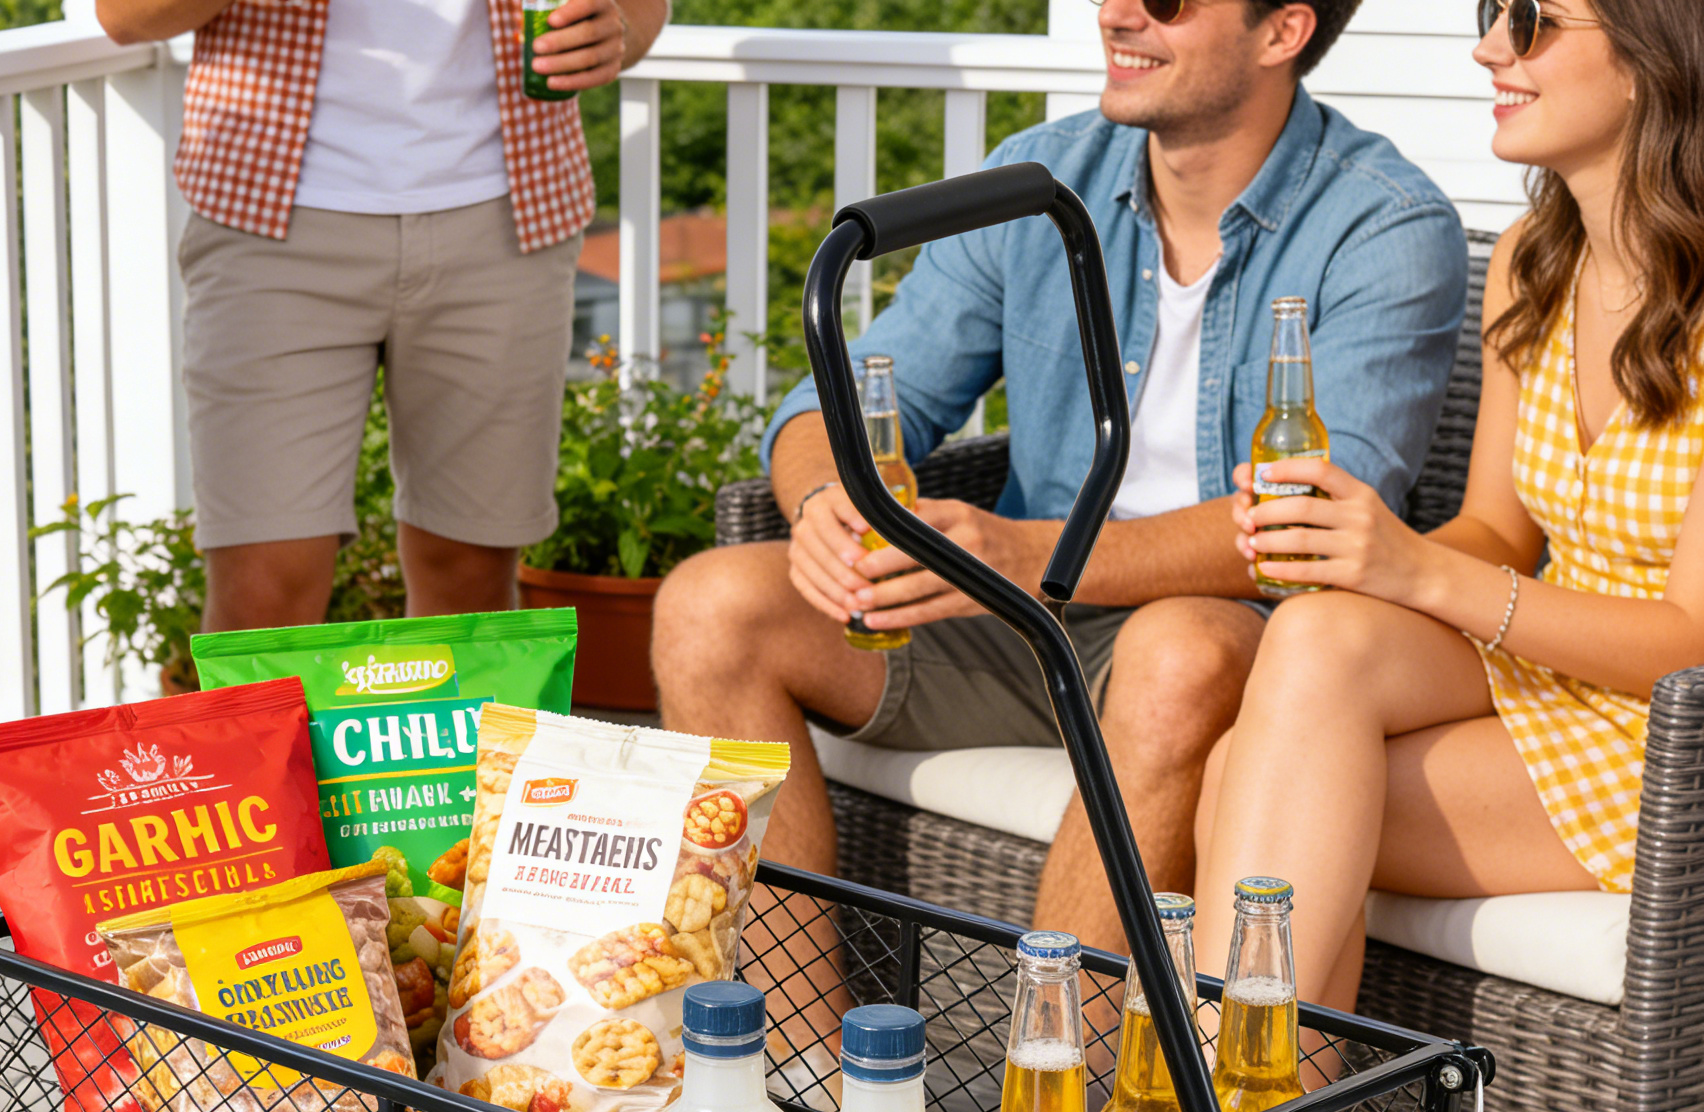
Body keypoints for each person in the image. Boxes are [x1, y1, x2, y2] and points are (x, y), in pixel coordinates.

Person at [654, 0, 1469, 956]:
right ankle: (801, 1081)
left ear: (1282, 32)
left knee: (1174, 657)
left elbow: (1308, 523)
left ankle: (1053, 1097)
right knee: (711, 604)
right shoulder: (1037, 179)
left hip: (1229, 631)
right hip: (1021, 621)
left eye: (1167, 1)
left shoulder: (1387, 225)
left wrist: (1029, 556)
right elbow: (831, 405)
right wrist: (830, 505)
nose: (1119, 13)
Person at [1194, 0, 1704, 1007]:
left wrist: (1416, 570)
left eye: (1533, 20)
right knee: (1315, 637)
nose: (1488, 48)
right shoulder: (1531, 260)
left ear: (1657, 54)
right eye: (1489, 13)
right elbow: (1496, 531)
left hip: (1673, 731)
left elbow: (1686, 645)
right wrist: (1360, 547)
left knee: (1249, 783)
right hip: (1557, 671)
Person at [98, 0, 668, 638]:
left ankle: (443, 743)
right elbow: (125, 16)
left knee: (471, 585)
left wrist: (615, 33)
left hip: (505, 217)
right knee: (261, 597)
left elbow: (637, 9)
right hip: (271, 227)